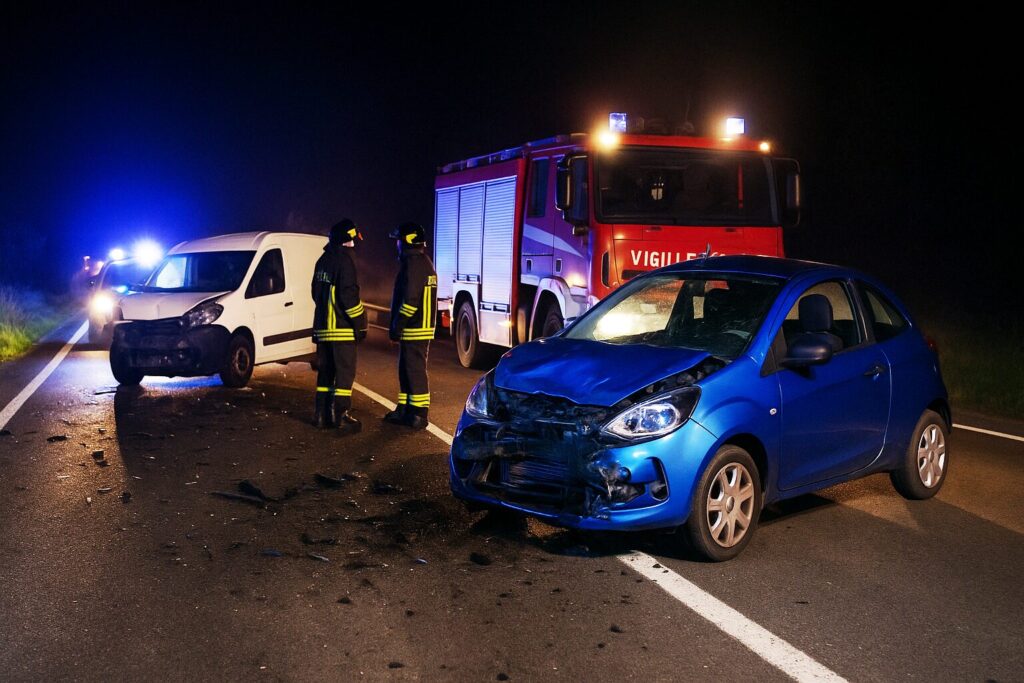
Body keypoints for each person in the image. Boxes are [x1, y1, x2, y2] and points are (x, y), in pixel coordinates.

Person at [311, 218, 367, 435]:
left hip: (323, 330)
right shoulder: (346, 261)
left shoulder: (323, 260)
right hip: (342, 330)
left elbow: (315, 293)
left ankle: (321, 415)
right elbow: (348, 297)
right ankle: (340, 416)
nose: (355, 245)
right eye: (353, 240)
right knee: (344, 374)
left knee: (325, 374)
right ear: (348, 240)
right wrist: (360, 323)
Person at [383, 222, 437, 429]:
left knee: (414, 370)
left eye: (398, 240)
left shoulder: (415, 264)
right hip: (414, 327)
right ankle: (405, 409)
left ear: (406, 241)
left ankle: (419, 414)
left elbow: (410, 300)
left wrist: (398, 324)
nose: (396, 244)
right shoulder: (420, 262)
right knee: (406, 369)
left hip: (415, 328)